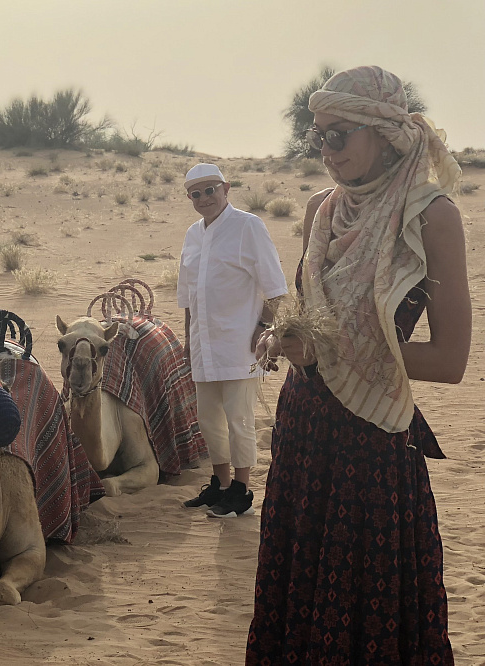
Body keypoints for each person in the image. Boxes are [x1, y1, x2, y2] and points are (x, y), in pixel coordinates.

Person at [247, 66, 468, 665]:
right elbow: (310, 313)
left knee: (368, 612)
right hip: (304, 438)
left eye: (339, 135)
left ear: (383, 131)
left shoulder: (431, 217)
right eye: (318, 136)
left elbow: (451, 361)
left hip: (371, 450)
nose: (326, 151)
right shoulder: (322, 209)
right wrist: (282, 337)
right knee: (300, 599)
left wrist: (335, 353)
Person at [177, 163, 288, 518]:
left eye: (211, 190)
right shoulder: (193, 235)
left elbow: (275, 288)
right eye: (196, 193)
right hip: (203, 345)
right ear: (189, 198)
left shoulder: (248, 226)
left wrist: (262, 328)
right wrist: (188, 340)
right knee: (209, 419)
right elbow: (189, 296)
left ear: (226, 188)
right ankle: (220, 484)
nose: (205, 198)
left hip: (240, 342)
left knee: (239, 418)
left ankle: (241, 490)